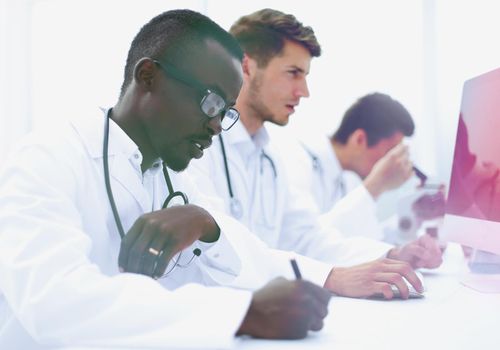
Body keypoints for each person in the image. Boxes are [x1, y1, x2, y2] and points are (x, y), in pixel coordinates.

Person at [0, 10, 333, 349]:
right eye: (212, 102)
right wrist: (243, 314)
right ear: (148, 76)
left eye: (226, 112)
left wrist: (206, 224)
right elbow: (54, 305)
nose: (217, 126)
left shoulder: (172, 178)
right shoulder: (46, 159)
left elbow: (237, 256)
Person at [187, 8, 443, 299]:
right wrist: (332, 277)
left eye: (305, 76)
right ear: (246, 66)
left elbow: (309, 238)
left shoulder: (270, 158)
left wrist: (392, 253)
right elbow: (219, 248)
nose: (304, 91)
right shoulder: (195, 147)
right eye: (293, 73)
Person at [282, 92, 416, 240]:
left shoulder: (350, 178)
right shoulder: (297, 162)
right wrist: (375, 186)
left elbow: (362, 241)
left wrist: (416, 213)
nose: (393, 163)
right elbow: (309, 242)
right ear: (360, 139)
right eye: (390, 154)